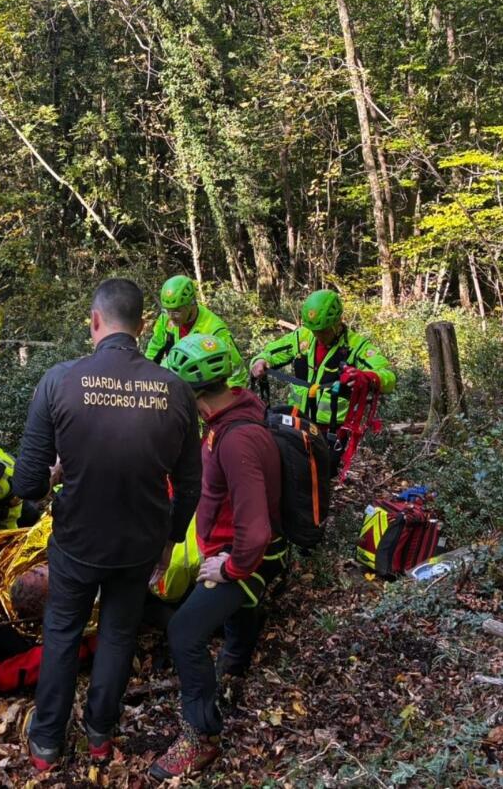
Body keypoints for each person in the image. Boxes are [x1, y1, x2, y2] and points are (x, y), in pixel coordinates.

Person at [11, 278, 203, 771]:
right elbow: (189, 483)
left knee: (62, 632)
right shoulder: (176, 390)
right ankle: (100, 734)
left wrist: (54, 475)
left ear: (95, 321)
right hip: (139, 542)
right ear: (142, 326)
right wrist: (169, 542)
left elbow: (27, 482)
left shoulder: (59, 380)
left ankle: (48, 744)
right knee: (118, 634)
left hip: (77, 539)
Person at [147, 333, 287, 779]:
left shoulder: (235, 440)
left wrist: (231, 567)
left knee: (186, 631)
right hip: (234, 548)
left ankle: (200, 736)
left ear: (193, 396)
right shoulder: (230, 418)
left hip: (250, 556)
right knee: (230, 615)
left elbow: (257, 528)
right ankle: (236, 659)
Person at [249, 289, 394, 469]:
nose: (318, 336)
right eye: (314, 331)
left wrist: (367, 377)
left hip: (331, 432)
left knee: (321, 478)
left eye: (323, 331)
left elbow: (388, 377)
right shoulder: (303, 336)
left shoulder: (356, 346)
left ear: (338, 322)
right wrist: (260, 361)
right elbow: (271, 352)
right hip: (296, 423)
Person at [144, 275, 247, 388]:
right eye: (167, 310)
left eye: (177, 311)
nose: (171, 316)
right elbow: (154, 350)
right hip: (177, 384)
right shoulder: (165, 319)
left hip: (205, 389)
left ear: (192, 304)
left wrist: (227, 400)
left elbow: (237, 372)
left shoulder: (214, 329)